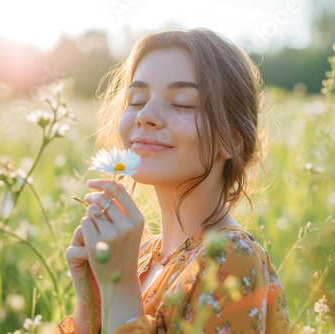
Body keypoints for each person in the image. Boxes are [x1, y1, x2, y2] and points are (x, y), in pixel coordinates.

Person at [53, 28, 290, 334]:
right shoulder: (136, 258)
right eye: (136, 100)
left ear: (232, 140)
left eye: (181, 103)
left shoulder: (231, 257)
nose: (145, 115)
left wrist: (119, 286)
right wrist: (92, 304)